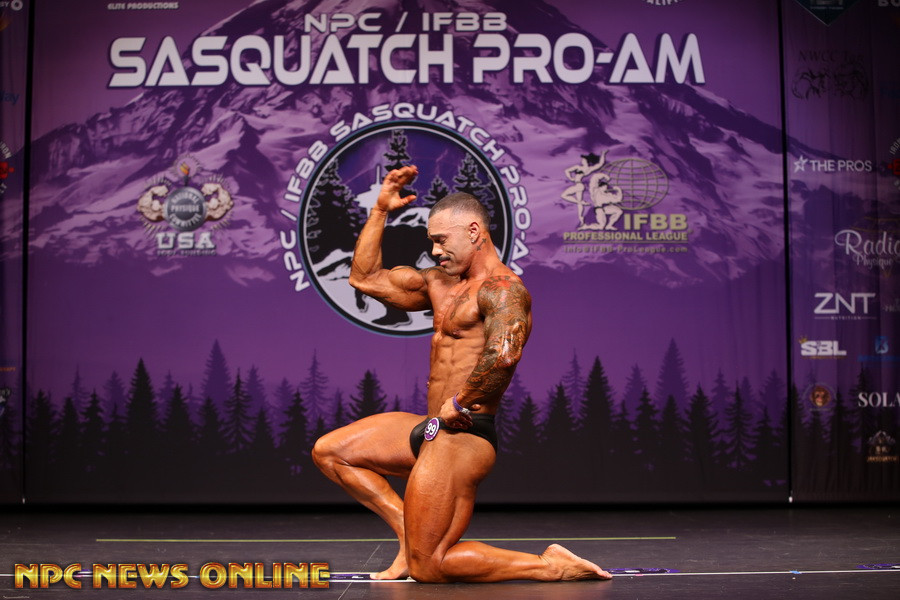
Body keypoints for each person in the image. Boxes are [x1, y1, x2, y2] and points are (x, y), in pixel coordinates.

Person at [312, 165, 612, 584]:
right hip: (435, 425)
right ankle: (408, 530)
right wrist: (380, 210)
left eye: (441, 240)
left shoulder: (503, 289)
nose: (435, 251)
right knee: (330, 451)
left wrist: (461, 402)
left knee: (429, 566)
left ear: (473, 232)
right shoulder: (440, 285)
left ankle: (550, 565)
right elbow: (363, 279)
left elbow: (503, 356)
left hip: (464, 434)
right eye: (431, 242)